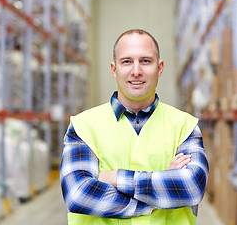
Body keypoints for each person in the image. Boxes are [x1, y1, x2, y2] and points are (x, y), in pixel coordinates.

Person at [60, 29, 209, 224]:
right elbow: (79, 194)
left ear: (160, 67)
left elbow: (191, 187)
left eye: (145, 61)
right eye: (127, 61)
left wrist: (114, 178)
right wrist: (158, 195)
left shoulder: (184, 126)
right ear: (114, 69)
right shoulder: (83, 127)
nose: (136, 71)